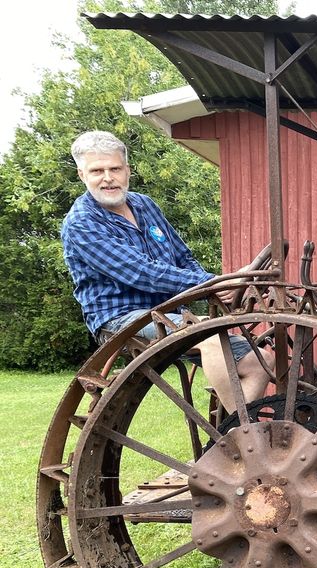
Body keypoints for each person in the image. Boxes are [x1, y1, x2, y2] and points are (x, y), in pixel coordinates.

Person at [61, 130, 271, 414]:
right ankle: (242, 439)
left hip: (171, 313)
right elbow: (141, 273)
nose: (107, 177)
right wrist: (214, 283)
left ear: (127, 171)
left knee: (261, 362)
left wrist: (213, 288)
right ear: (81, 175)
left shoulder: (144, 205)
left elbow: (182, 257)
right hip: (121, 320)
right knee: (208, 339)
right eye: (97, 171)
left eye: (115, 168)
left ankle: (229, 436)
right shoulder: (82, 224)